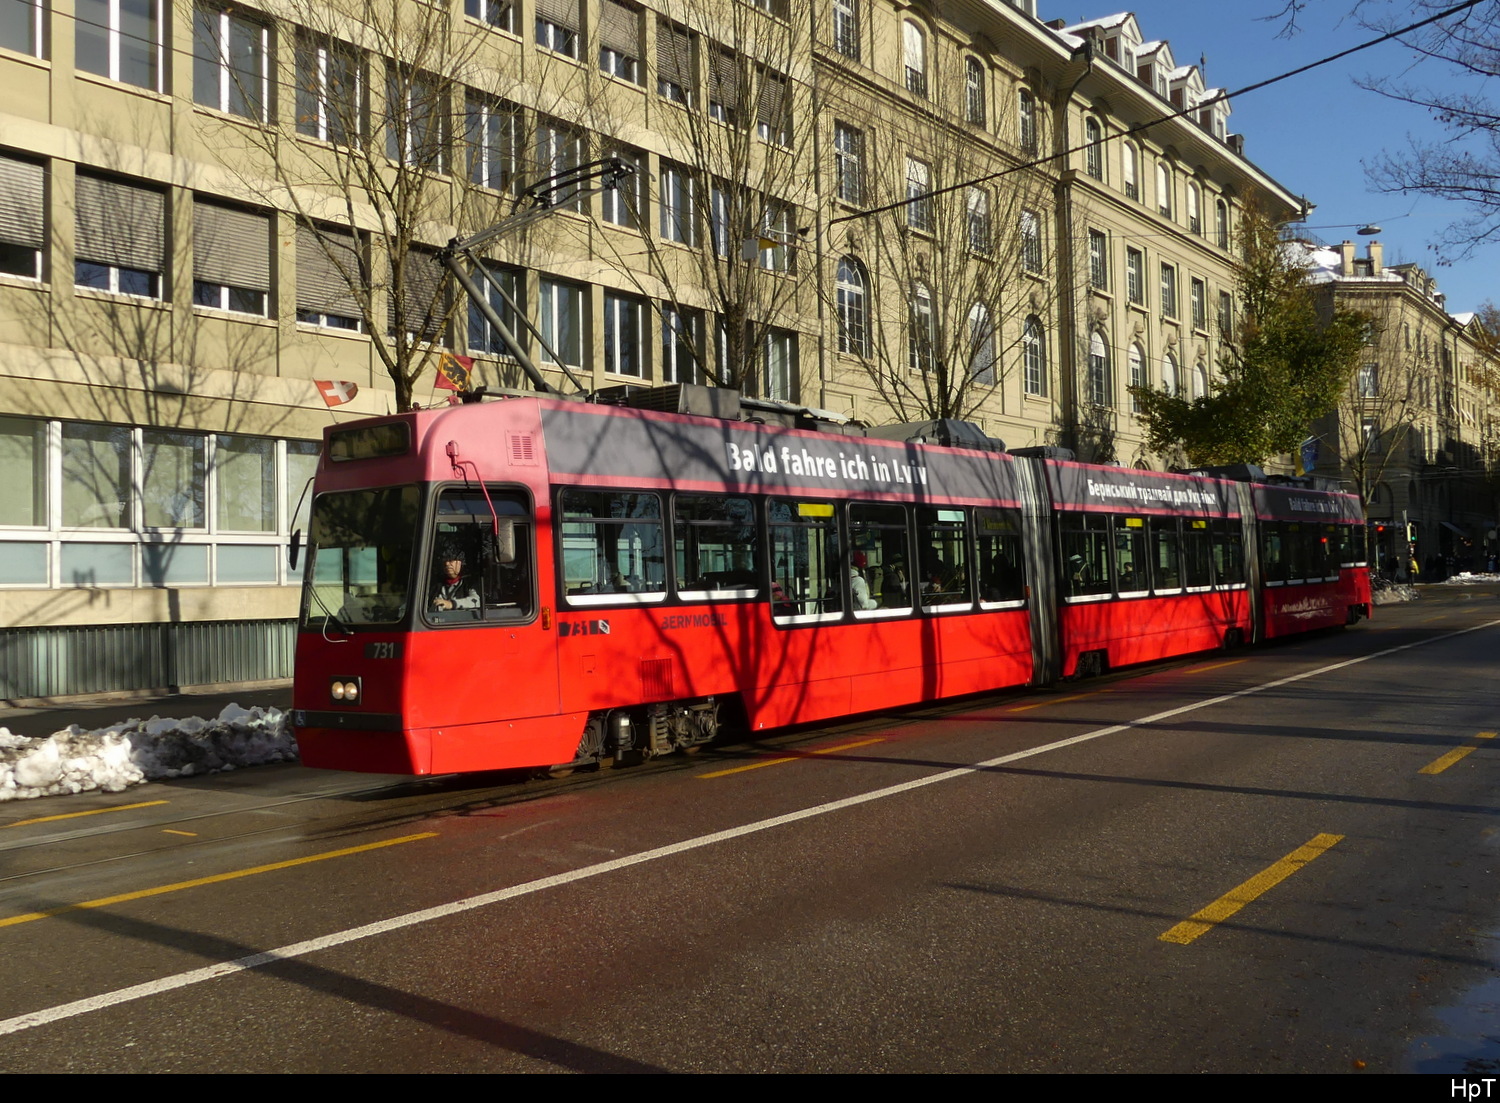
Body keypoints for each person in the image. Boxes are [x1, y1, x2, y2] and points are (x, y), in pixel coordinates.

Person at [431, 544, 481, 614]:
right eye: (444, 561)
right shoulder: (436, 585)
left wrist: (451, 604)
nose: (447, 564)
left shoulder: (470, 583)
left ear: (461, 563)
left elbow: (476, 601)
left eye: (451, 560)